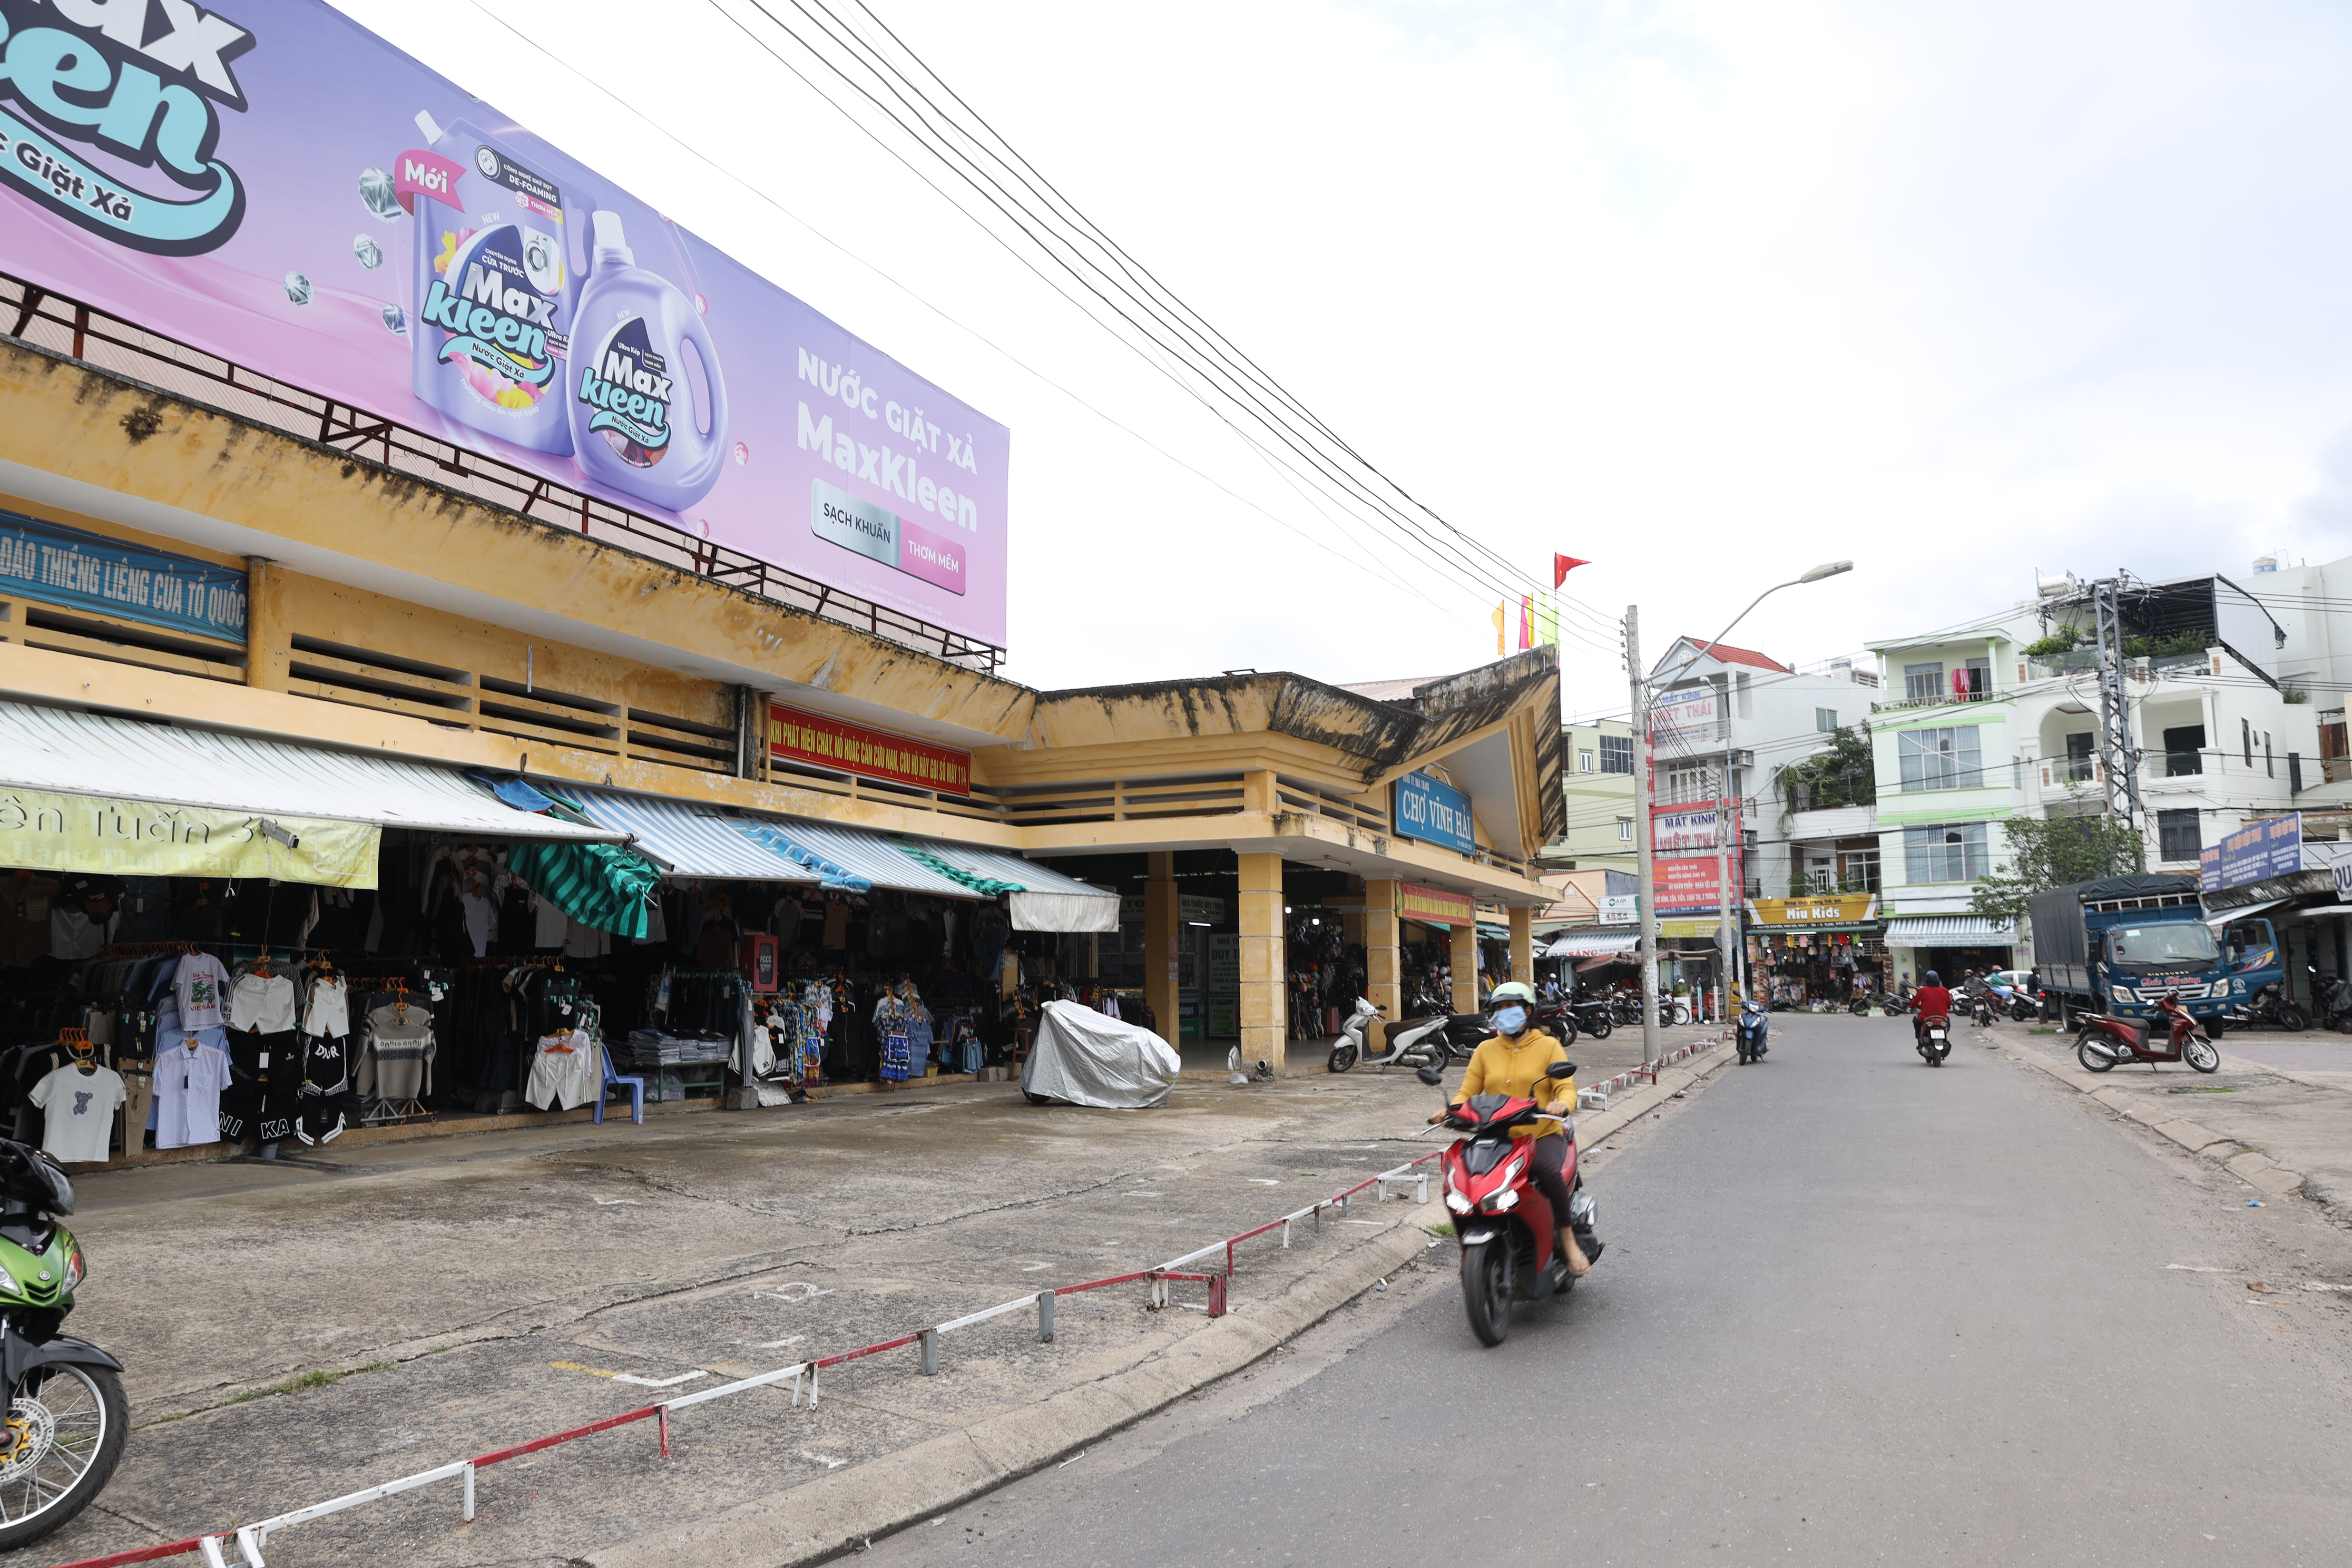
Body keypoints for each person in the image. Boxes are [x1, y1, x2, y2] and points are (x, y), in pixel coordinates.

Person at [1429, 980, 1589, 1274]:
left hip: (1540, 1134)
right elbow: (1467, 1092)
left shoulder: (1548, 1046)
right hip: (1496, 1137)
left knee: (1547, 1172)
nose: (1504, 1012)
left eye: (1510, 1006)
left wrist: (1562, 1105)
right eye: (1499, 1008)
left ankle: (1567, 1240)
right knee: (1464, 1180)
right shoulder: (1485, 1050)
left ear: (1527, 1011)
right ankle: (1474, 1246)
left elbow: (1566, 1087)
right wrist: (1451, 1111)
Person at [1912, 969, 1954, 1047]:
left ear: (1927, 981)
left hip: (1925, 1018)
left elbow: (1914, 1004)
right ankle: (1944, 1037)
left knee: (1916, 1020)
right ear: (1938, 980)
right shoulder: (1944, 990)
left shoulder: (1923, 990)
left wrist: (1913, 1007)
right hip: (1942, 1018)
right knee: (1948, 1023)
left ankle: (1920, 1040)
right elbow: (1949, 1004)